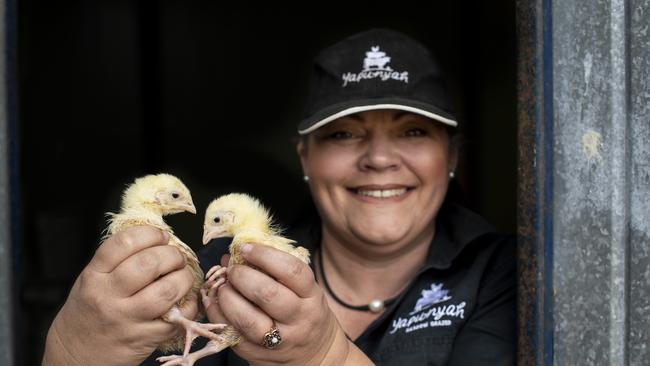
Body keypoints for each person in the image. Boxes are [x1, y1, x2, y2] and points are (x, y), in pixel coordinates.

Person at [42, 28, 515, 366]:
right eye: (344, 135)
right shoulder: (216, 266)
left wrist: (326, 357)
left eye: (413, 131)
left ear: (451, 155)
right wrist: (74, 351)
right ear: (305, 159)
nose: (379, 158)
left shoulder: (508, 275)